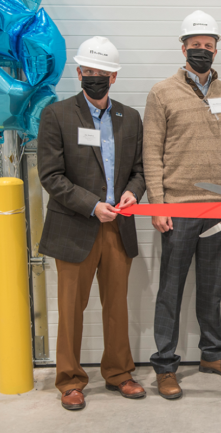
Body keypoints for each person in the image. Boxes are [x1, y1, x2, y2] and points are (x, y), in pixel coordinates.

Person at [143, 10, 221, 399]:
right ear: (183, 47)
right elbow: (151, 152)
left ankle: (212, 354)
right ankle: (165, 364)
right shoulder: (161, 92)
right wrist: (158, 204)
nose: (202, 50)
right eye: (195, 44)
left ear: (216, 50)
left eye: (208, 45)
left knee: (212, 288)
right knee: (170, 291)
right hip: (178, 209)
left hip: (219, 210)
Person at [37, 36, 146, 410]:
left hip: (118, 226)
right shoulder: (57, 115)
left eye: (103, 73)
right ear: (79, 72)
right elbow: (50, 176)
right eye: (89, 71)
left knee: (117, 305)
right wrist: (93, 205)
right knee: (70, 309)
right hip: (75, 226)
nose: (95, 77)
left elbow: (139, 170)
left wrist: (133, 192)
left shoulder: (129, 117)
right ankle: (69, 380)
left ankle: (119, 373)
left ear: (114, 77)